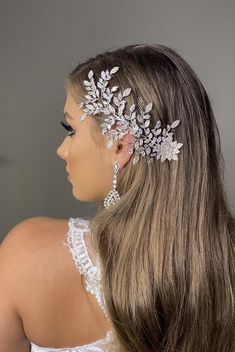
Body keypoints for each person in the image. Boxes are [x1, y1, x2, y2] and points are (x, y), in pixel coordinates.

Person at [0, 43, 234, 352]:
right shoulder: (224, 270)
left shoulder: (27, 255)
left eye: (69, 129)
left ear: (120, 146)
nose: (62, 149)